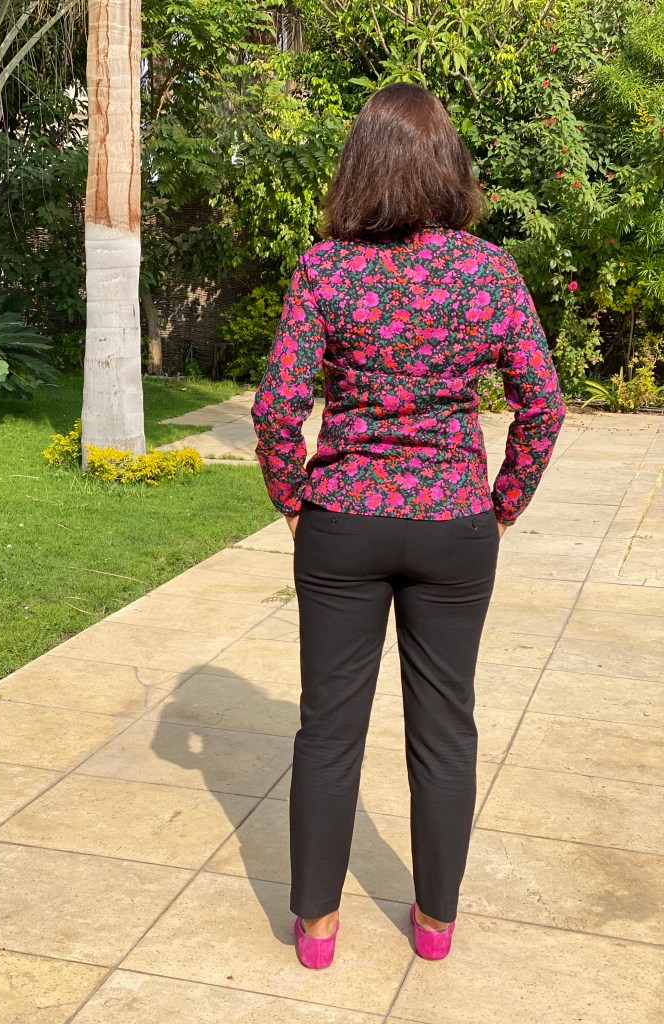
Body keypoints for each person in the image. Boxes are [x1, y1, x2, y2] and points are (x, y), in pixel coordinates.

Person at [250, 82, 567, 968]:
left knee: (328, 728)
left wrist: (293, 502)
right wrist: (499, 508)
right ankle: (434, 925)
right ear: (448, 166)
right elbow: (543, 406)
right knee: (445, 727)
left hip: (343, 521)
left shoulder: (326, 269)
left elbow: (276, 409)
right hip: (453, 523)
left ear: (361, 165)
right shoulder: (489, 271)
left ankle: (317, 930)